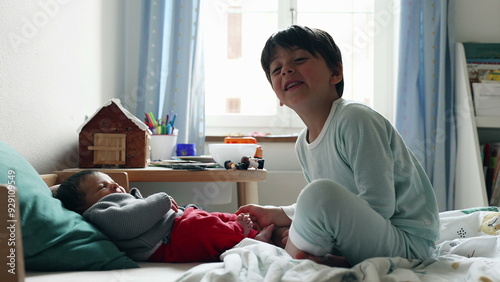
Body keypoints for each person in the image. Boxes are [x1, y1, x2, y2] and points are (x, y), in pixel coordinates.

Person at [236, 25, 440, 267]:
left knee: (317, 196)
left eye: (299, 59)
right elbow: (343, 202)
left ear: (335, 72)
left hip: (406, 242)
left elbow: (378, 206)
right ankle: (300, 243)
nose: (287, 70)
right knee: (292, 218)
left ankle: (296, 251)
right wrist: (279, 213)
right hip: (372, 234)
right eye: (276, 69)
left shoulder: (355, 119)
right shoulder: (303, 143)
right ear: (279, 97)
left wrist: (312, 231)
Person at [55, 170, 274, 262]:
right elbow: (129, 223)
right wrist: (161, 200)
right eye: (102, 187)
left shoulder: (110, 202)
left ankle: (251, 228)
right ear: (83, 207)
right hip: (167, 242)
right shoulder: (99, 214)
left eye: (111, 181)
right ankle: (247, 237)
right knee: (204, 227)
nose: (113, 184)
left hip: (176, 225)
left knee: (213, 216)